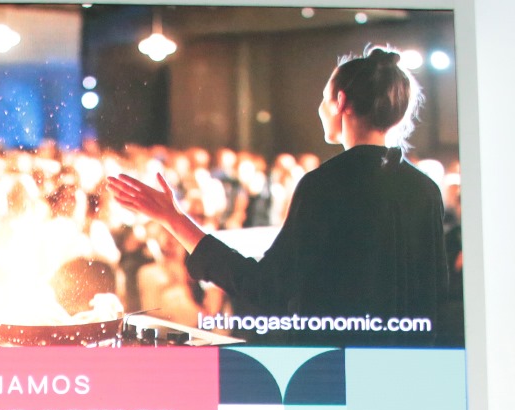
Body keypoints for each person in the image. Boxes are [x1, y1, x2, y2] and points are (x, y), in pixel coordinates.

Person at [107, 46, 448, 325]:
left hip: (330, 368)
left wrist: (173, 218)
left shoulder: (324, 185)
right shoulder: (425, 191)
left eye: (323, 98)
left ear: (341, 102)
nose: (320, 108)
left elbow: (267, 287)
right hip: (405, 370)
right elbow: (434, 299)